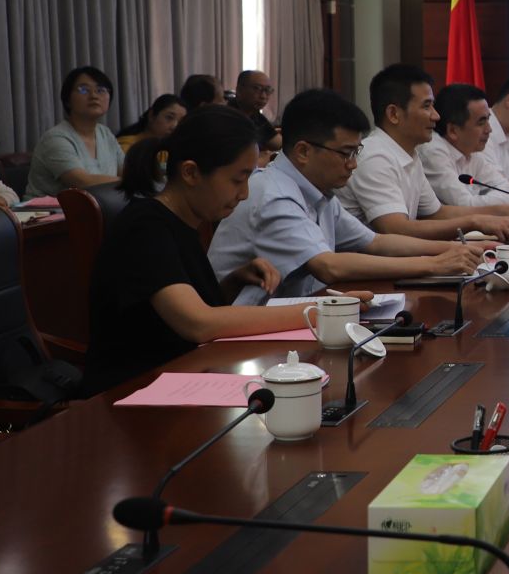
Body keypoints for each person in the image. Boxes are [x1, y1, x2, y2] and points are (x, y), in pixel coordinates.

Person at [84, 108, 357, 394]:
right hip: (132, 391)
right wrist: (320, 311)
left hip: (184, 374)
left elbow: (172, 313)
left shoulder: (185, 222)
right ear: (191, 172)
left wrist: (233, 282)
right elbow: (198, 323)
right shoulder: (145, 227)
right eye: (237, 180)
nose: (245, 194)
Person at [206, 88, 484, 304]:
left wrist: (455, 251)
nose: (353, 164)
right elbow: (329, 267)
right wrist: (433, 264)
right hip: (240, 333)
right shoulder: (274, 196)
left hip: (291, 317)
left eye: (356, 152)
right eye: (345, 153)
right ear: (303, 152)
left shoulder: (319, 192)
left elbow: (376, 242)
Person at [338, 64, 509, 242]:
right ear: (394, 114)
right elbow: (396, 229)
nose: (436, 116)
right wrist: (474, 222)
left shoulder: (409, 153)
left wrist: (499, 211)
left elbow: (437, 213)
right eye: (426, 106)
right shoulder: (374, 156)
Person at [420, 84, 509, 213]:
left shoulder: (471, 151)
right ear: (453, 131)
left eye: (488, 119)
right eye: (481, 122)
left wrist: (490, 198)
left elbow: (506, 188)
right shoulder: (433, 152)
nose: (489, 129)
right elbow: (466, 205)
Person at [27, 66, 122, 195]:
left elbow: (127, 171)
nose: (94, 95)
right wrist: (130, 182)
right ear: (67, 100)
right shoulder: (55, 138)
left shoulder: (105, 134)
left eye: (100, 90)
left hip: (99, 205)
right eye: (83, 90)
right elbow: (82, 182)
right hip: (50, 207)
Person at [229, 69, 282, 153]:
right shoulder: (227, 115)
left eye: (267, 90)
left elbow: (278, 143)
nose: (263, 96)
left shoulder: (255, 115)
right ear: (239, 90)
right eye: (257, 88)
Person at [116, 94, 187, 152]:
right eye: (169, 117)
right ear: (151, 115)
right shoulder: (127, 146)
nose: (175, 126)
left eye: (181, 121)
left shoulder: (167, 149)